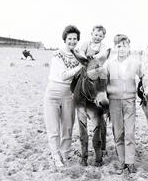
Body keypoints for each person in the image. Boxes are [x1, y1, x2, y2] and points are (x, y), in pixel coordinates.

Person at [43, 25, 83, 168]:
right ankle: (55, 156)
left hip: (68, 95)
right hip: (53, 94)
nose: (72, 41)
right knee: (53, 129)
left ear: (78, 40)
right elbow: (63, 75)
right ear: (64, 39)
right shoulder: (57, 54)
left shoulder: (78, 55)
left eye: (75, 39)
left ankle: (65, 155)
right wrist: (80, 67)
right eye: (69, 38)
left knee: (67, 128)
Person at [105, 34, 141, 175]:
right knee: (118, 132)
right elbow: (102, 80)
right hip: (114, 101)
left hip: (129, 100)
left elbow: (145, 77)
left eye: (124, 46)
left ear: (129, 47)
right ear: (115, 47)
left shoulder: (135, 63)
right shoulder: (109, 63)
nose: (121, 49)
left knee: (130, 132)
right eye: (119, 46)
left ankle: (130, 161)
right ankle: (121, 159)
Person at [80, 24, 109, 155]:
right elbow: (81, 52)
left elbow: (104, 54)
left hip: (97, 69)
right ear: (91, 33)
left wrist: (96, 58)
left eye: (100, 36)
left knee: (105, 79)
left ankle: (105, 101)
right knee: (76, 79)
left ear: (103, 37)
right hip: (86, 69)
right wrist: (86, 58)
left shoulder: (102, 46)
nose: (97, 37)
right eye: (96, 35)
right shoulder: (86, 44)